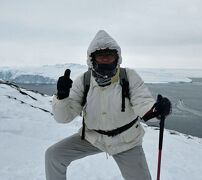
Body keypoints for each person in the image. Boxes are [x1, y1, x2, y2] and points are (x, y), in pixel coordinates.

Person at [45, 30, 171, 180]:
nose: (105, 58)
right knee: (53, 155)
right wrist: (62, 96)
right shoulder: (84, 81)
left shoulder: (128, 77)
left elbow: (142, 102)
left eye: (109, 54)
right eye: (100, 55)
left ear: (117, 57)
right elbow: (63, 118)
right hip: (93, 138)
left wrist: (157, 110)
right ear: (92, 58)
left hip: (126, 141)